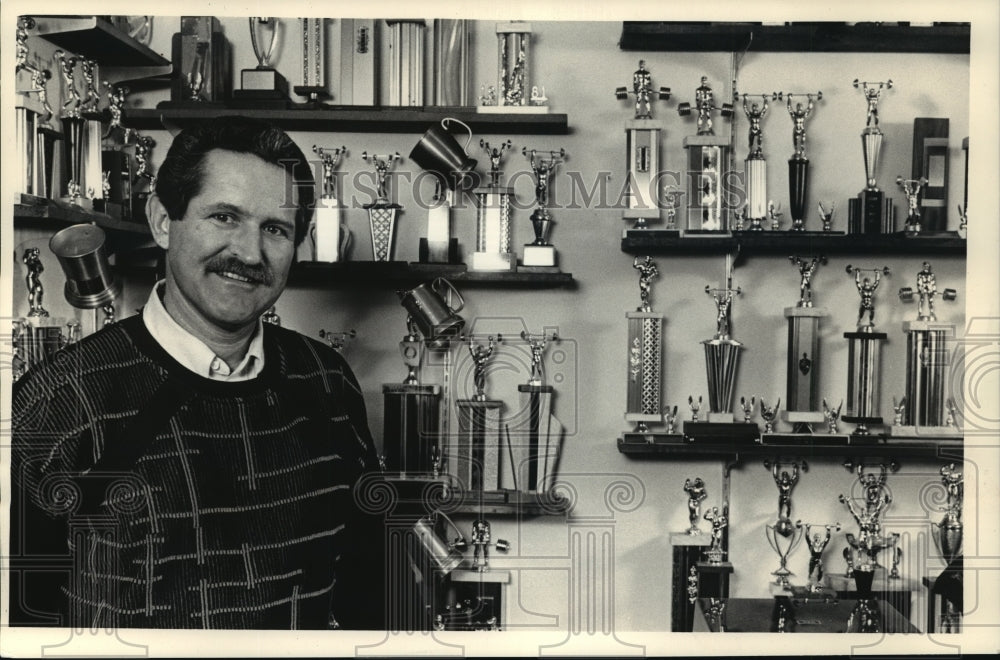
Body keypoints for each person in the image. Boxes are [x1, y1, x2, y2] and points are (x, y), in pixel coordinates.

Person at [10, 116, 384, 630]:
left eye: (275, 229)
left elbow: (372, 595)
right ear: (163, 220)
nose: (250, 253)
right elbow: (21, 621)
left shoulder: (326, 383)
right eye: (225, 217)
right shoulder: (59, 401)